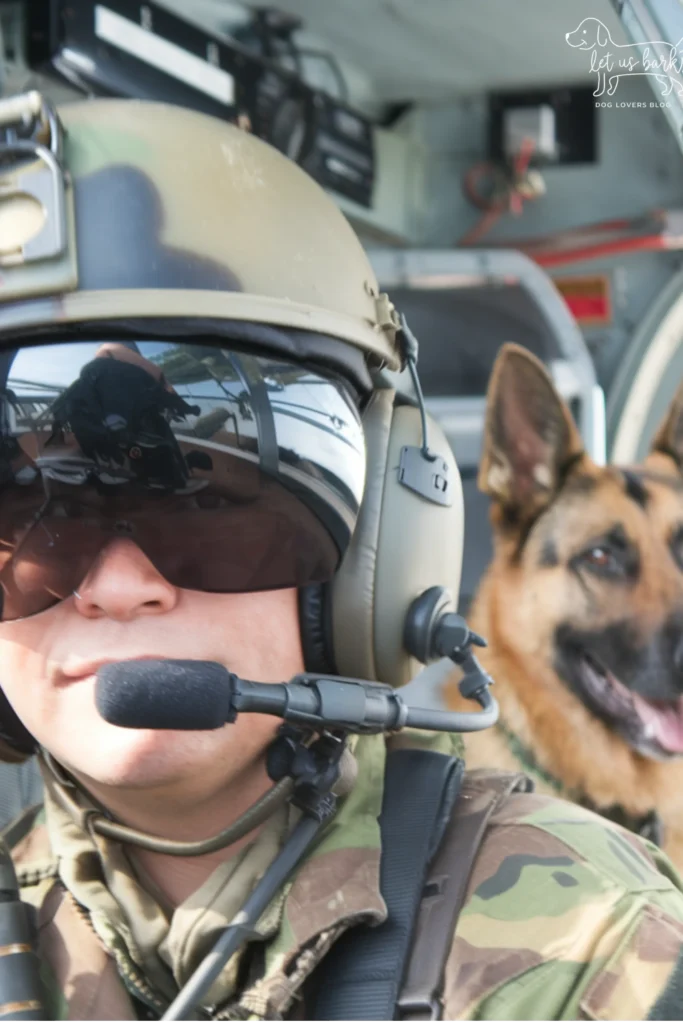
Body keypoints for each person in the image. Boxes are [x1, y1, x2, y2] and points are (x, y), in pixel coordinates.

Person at [0, 89, 682, 1024]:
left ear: (377, 549)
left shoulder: (589, 952)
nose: (119, 586)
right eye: (37, 516)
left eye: (208, 509)